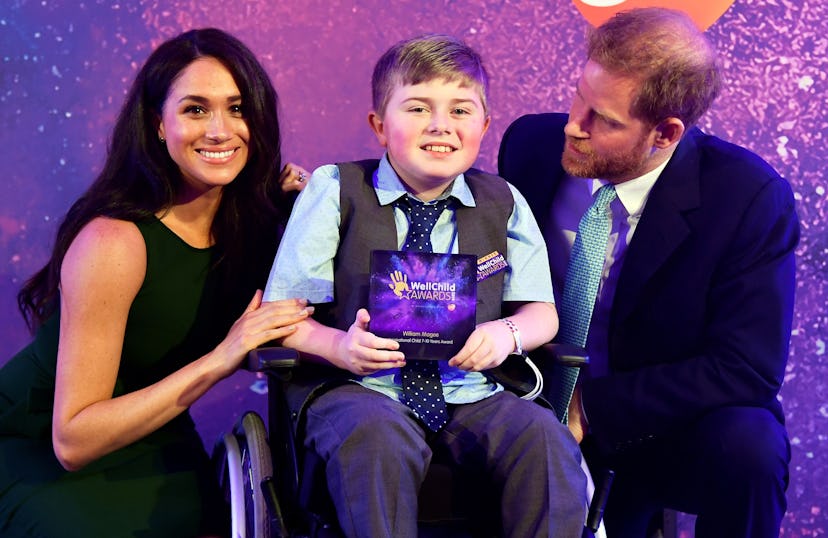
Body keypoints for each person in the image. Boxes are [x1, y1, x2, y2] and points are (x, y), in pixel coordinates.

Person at [263, 34, 586, 537]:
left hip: (472, 388)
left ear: (484, 125)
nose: (440, 125)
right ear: (379, 126)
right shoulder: (336, 189)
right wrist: (340, 346)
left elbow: (542, 313)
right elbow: (283, 315)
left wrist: (506, 335)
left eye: (461, 110)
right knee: (376, 438)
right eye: (417, 107)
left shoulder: (503, 202)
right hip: (359, 387)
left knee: (544, 439)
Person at [498, 7, 799, 538]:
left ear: (666, 133)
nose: (575, 125)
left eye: (604, 120)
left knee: (751, 446)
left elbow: (746, 368)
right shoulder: (530, 145)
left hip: (653, 421)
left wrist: (591, 407)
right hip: (528, 394)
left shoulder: (748, 197)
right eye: (579, 97)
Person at [0, 28, 313, 537]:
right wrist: (222, 357)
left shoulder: (255, 228)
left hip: (156, 438)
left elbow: (279, 334)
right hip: (42, 449)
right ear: (158, 125)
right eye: (195, 109)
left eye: (237, 109)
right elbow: (73, 441)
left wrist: (308, 213)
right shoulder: (114, 242)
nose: (219, 130)